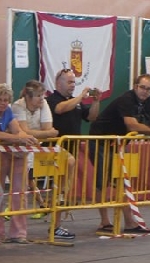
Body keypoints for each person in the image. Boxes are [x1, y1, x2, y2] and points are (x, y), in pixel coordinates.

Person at [89, 73, 150, 233]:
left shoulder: (148, 101)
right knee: (102, 182)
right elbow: (132, 125)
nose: (145, 92)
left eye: (149, 89)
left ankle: (129, 222)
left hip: (119, 143)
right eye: (142, 88)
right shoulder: (127, 99)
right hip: (100, 141)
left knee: (123, 181)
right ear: (135, 87)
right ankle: (104, 222)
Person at [46, 68, 102, 239]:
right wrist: (81, 97)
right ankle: (55, 225)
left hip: (72, 151)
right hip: (55, 151)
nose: (73, 85)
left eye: (74, 82)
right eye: (69, 82)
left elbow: (91, 117)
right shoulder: (52, 99)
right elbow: (60, 109)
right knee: (58, 189)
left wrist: (96, 101)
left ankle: (57, 225)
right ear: (59, 83)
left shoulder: (76, 102)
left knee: (64, 190)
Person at [0, 83, 38, 245]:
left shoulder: (8, 111)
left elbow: (16, 129)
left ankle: (19, 233)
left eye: (6, 100)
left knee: (19, 193)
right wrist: (20, 138)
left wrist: (26, 137)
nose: (3, 103)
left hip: (11, 153)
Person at [12, 80, 58, 221]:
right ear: (28, 97)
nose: (42, 99)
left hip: (35, 148)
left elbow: (48, 128)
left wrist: (38, 134)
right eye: (38, 96)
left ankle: (45, 203)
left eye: (42, 95)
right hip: (17, 149)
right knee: (24, 180)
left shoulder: (44, 104)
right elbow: (24, 131)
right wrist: (46, 133)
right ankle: (20, 208)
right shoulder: (18, 106)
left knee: (29, 178)